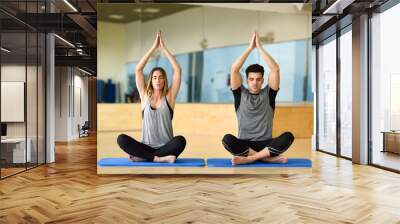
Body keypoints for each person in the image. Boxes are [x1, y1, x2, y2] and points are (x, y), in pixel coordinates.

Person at [222, 32, 294, 165]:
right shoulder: (239, 93)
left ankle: (251, 159)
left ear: (262, 80)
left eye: (258, 79)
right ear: (247, 80)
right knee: (227, 139)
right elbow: (234, 69)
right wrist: (250, 48)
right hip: (245, 145)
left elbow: (275, 69)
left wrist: (260, 48)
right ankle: (266, 158)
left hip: (266, 144)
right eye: (251, 79)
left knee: (288, 136)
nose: (255, 82)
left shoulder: (269, 93)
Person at [117, 31, 186, 163]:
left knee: (180, 141)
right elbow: (138, 70)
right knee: (121, 139)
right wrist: (154, 48)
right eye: (154, 77)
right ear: (151, 80)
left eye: (161, 77)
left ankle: (145, 157)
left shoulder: (170, 97)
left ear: (164, 80)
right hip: (145, 146)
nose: (157, 80)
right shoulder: (144, 96)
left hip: (166, 146)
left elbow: (178, 70)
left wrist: (164, 48)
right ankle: (157, 159)